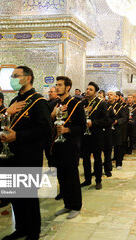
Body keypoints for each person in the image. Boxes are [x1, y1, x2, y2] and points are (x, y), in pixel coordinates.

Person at [1, 66, 52, 240]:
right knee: (15, 195)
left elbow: (46, 130)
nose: (12, 79)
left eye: (16, 76)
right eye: (12, 76)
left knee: (28, 197)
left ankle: (33, 232)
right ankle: (21, 228)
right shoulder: (15, 100)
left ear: (28, 78)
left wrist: (19, 136)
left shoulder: (39, 102)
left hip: (29, 156)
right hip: (12, 155)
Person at [52, 76, 85, 219]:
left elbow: (82, 126)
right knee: (61, 176)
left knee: (72, 176)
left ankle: (76, 206)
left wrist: (67, 130)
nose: (57, 87)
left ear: (68, 87)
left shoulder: (76, 104)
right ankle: (67, 204)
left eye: (60, 85)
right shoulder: (55, 104)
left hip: (70, 146)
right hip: (57, 146)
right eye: (56, 85)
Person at [80, 82, 109, 189]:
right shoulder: (82, 103)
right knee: (85, 159)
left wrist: (93, 123)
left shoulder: (101, 104)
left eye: (90, 89)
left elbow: (106, 120)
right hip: (85, 136)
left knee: (97, 159)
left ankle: (98, 180)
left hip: (97, 135)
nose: (88, 91)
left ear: (95, 92)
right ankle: (87, 179)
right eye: (87, 89)